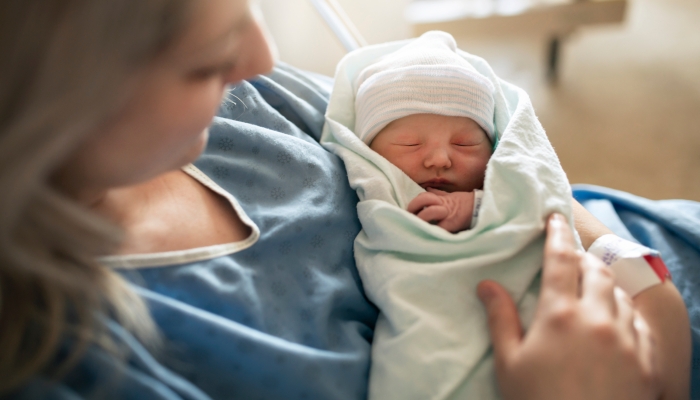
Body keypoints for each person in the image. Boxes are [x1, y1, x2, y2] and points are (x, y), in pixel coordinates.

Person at [0, 1, 688, 399]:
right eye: (204, 59)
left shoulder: (241, 107)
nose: (262, 58)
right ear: (46, 95)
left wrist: (644, 285)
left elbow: (525, 163)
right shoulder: (83, 365)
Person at [321, 31, 690, 399]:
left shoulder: (499, 186)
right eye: (410, 144)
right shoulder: (373, 191)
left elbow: (528, 203)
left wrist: (474, 205)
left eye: (465, 143)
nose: (440, 159)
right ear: (366, 152)